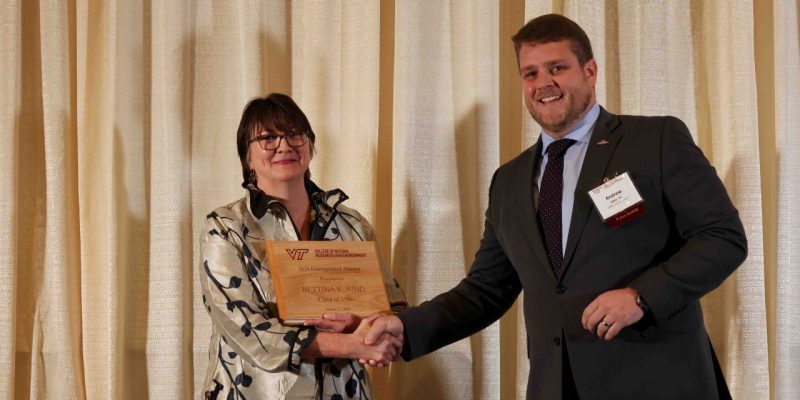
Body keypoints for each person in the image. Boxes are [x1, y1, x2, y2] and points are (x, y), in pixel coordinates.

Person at [364, 14, 746, 400]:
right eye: (530, 74)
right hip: (556, 387)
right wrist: (404, 327)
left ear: (590, 70)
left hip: (659, 381)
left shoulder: (655, 140)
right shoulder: (509, 181)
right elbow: (485, 290)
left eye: (557, 68)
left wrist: (640, 297)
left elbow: (723, 237)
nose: (542, 83)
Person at [199, 93, 407, 399]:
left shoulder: (352, 225)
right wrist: (354, 344)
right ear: (248, 157)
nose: (284, 145)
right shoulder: (224, 227)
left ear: (309, 146)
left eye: (295, 134)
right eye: (268, 137)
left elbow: (395, 310)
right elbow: (247, 329)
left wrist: (362, 325)